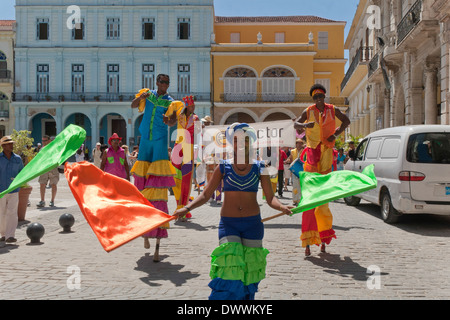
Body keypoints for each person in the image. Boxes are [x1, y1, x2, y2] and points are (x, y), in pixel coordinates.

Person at [173, 123, 293, 300]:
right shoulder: (223, 167)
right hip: (229, 224)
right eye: (236, 140)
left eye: (245, 139)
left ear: (250, 142)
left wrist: (282, 206)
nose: (240, 143)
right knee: (230, 274)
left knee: (248, 275)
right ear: (232, 143)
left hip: (253, 225)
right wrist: (187, 207)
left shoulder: (260, 167)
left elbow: (270, 198)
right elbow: (206, 194)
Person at [293, 83, 350, 256]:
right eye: (315, 97)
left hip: (326, 156)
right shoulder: (308, 111)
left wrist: (337, 133)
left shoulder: (333, 109)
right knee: (309, 202)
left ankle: (323, 239)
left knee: (323, 203)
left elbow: (346, 121)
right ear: (313, 98)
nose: (318, 100)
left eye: (321, 97)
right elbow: (295, 124)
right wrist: (305, 126)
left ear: (324, 97)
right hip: (311, 158)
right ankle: (309, 240)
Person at [130, 74, 177, 261]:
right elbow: (133, 106)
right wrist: (140, 98)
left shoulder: (170, 101)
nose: (164, 85)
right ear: (156, 83)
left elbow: (172, 120)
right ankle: (144, 228)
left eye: (166, 82)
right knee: (142, 182)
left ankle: (156, 233)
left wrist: (169, 121)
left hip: (159, 139)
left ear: (168, 85)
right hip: (145, 139)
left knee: (157, 182)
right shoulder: (148, 94)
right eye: (161, 82)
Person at [170, 95, 201, 219]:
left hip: (189, 149)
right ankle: (179, 205)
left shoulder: (196, 118)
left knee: (186, 179)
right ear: (186, 106)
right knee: (175, 177)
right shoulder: (180, 116)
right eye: (191, 106)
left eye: (194, 106)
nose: (192, 108)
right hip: (178, 147)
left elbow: (199, 134)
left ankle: (184, 207)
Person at [0, 136, 24, 243]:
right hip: (1, 191)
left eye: (12, 144)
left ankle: (10, 235)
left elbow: (22, 173)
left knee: (13, 213)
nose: (11, 146)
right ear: (3, 146)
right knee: (1, 213)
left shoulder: (18, 159)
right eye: (9, 144)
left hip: (14, 190)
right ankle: (3, 234)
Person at [37, 135, 59, 208]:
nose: (43, 142)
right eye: (42, 141)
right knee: (42, 184)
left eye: (45, 140)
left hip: (53, 168)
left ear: (49, 140)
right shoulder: (42, 149)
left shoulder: (54, 148)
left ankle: (52, 201)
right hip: (44, 168)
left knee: (53, 184)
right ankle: (42, 200)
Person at [288, 139, 305, 206]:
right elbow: (290, 159)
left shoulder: (304, 151)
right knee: (295, 185)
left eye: (300, 143)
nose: (299, 145)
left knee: (301, 186)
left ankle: (300, 199)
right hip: (295, 170)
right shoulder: (292, 151)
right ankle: (295, 199)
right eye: (298, 143)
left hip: (302, 170)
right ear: (296, 144)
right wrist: (288, 161)